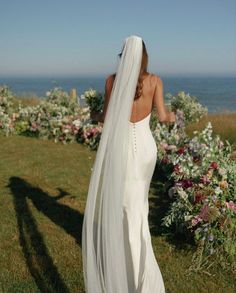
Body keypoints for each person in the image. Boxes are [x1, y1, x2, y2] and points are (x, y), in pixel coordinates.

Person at [82, 35, 175, 293]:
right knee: (138, 206)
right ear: (145, 56)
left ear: (124, 54)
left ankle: (126, 262)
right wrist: (175, 115)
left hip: (122, 150)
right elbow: (164, 116)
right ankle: (137, 265)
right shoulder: (155, 81)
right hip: (145, 149)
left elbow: (107, 117)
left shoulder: (112, 81)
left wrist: (93, 115)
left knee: (125, 205)